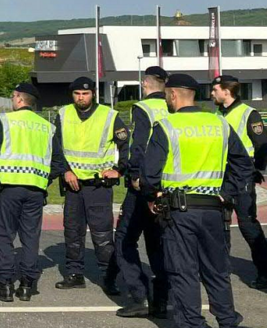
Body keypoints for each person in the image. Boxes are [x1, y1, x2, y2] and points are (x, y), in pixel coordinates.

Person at [142, 73, 250, 328]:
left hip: (179, 211)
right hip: (214, 209)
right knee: (217, 270)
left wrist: (151, 196)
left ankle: (192, 323)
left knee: (183, 272)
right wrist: (227, 192)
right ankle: (227, 320)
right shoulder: (219, 124)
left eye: (167, 95)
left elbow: (149, 174)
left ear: (173, 94)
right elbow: (243, 165)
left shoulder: (167, 126)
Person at [0, 83, 68, 302]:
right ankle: (27, 286)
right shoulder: (47, 127)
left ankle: (5, 284)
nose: (12, 100)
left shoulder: (6, 121)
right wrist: (44, 178)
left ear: (19, 98)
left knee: (4, 234)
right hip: (36, 190)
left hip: (10, 187)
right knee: (30, 237)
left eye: (13, 97)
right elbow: (58, 163)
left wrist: (2, 169)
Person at [53, 76, 127, 295]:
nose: (81, 97)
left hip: (98, 186)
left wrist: (119, 170)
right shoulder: (63, 114)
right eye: (77, 94)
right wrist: (65, 171)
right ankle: (74, 274)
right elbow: (55, 148)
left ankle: (108, 277)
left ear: (93, 94)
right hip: (73, 185)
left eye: (85, 94)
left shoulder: (109, 115)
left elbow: (126, 146)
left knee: (102, 234)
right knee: (72, 232)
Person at [115, 66, 169, 318]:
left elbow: (139, 146)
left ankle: (140, 297)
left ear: (145, 84)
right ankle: (161, 300)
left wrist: (135, 175)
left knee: (125, 240)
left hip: (143, 186)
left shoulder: (143, 108)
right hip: (167, 185)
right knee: (157, 243)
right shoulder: (174, 106)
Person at [212, 74, 267, 289]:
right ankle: (221, 271)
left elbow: (261, 144)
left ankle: (264, 272)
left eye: (215, 90)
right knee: (219, 225)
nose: (212, 94)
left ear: (227, 91)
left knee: (247, 225)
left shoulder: (248, 113)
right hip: (221, 177)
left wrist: (255, 170)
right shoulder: (217, 114)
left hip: (241, 176)